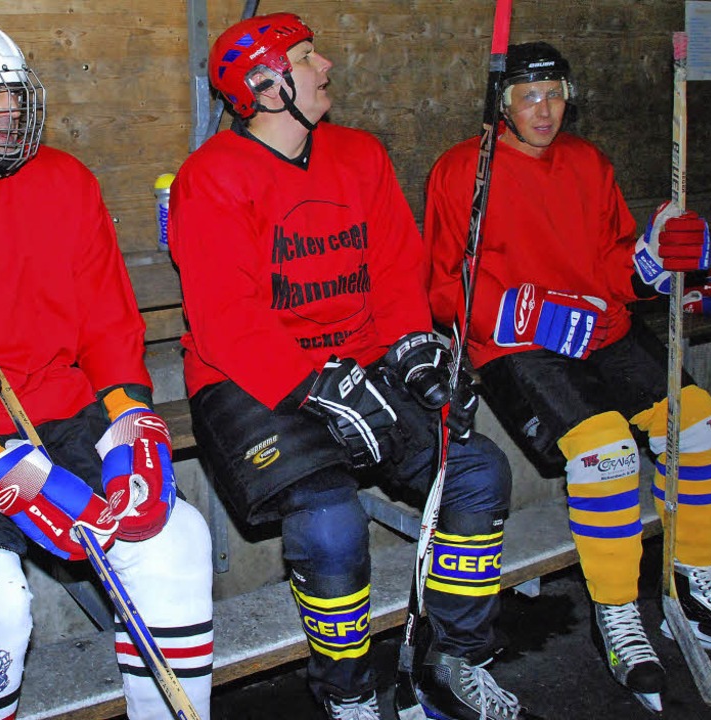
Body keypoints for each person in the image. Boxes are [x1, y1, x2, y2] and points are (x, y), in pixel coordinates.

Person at [170, 13, 530, 720]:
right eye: (306, 58)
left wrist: (415, 351)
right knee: (330, 521)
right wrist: (314, 387)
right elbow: (225, 320)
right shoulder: (210, 176)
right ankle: (349, 693)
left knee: (477, 471)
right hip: (249, 380)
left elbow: (398, 269)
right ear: (266, 86)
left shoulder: (359, 154)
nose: (326, 65)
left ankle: (459, 655)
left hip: (355, 366)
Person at [425, 41, 711, 713]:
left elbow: (614, 265)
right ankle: (616, 617)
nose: (543, 109)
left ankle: (696, 585)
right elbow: (443, 289)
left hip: (600, 328)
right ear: (502, 106)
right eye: (527, 97)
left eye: (554, 94)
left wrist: (648, 262)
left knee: (697, 425)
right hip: (515, 344)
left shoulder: (587, 163)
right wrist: (523, 308)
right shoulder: (465, 170)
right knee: (606, 454)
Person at [0, 22, 214, 720]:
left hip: (61, 416)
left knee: (175, 540)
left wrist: (130, 416)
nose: (4, 109)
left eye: (10, 92)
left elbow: (106, 320)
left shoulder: (64, 181)